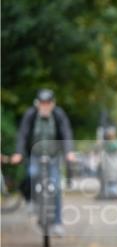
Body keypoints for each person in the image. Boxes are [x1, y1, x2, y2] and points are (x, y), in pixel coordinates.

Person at [12, 88, 76, 235]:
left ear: (52, 104)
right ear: (37, 103)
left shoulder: (59, 115)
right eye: (42, 103)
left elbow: (66, 132)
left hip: (53, 156)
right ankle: (32, 201)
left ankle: (58, 223)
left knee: (56, 187)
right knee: (31, 174)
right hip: (35, 155)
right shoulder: (31, 114)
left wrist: (69, 152)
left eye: (48, 103)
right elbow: (23, 134)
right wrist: (18, 153)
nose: (45, 106)